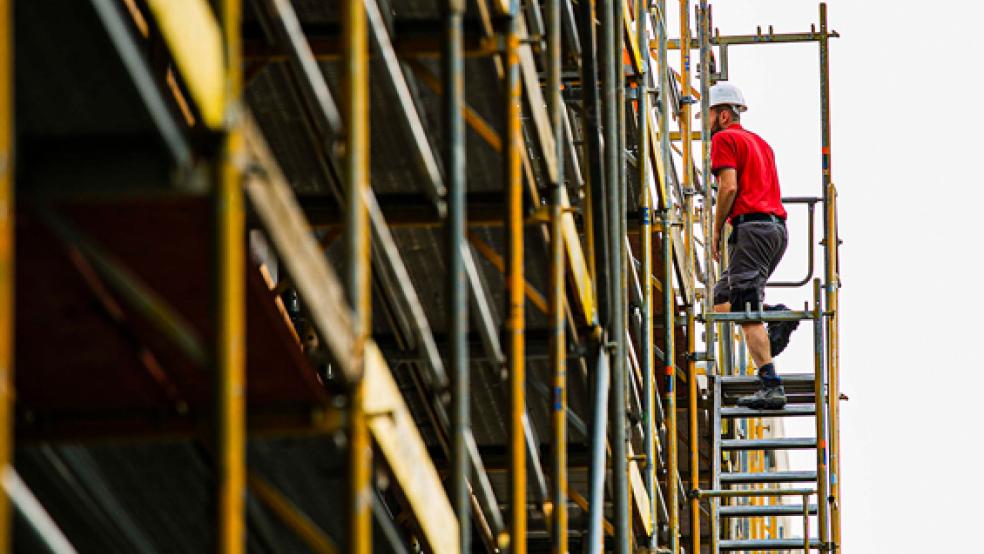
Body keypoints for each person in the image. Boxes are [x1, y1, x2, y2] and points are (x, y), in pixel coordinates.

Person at [704, 82, 799, 409]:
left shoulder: (724, 139)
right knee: (723, 299)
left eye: (710, 114)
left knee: (745, 310)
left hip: (753, 229)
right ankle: (775, 316)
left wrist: (716, 229)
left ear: (724, 114)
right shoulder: (761, 144)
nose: (706, 121)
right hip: (775, 232)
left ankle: (771, 385)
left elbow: (728, 188)